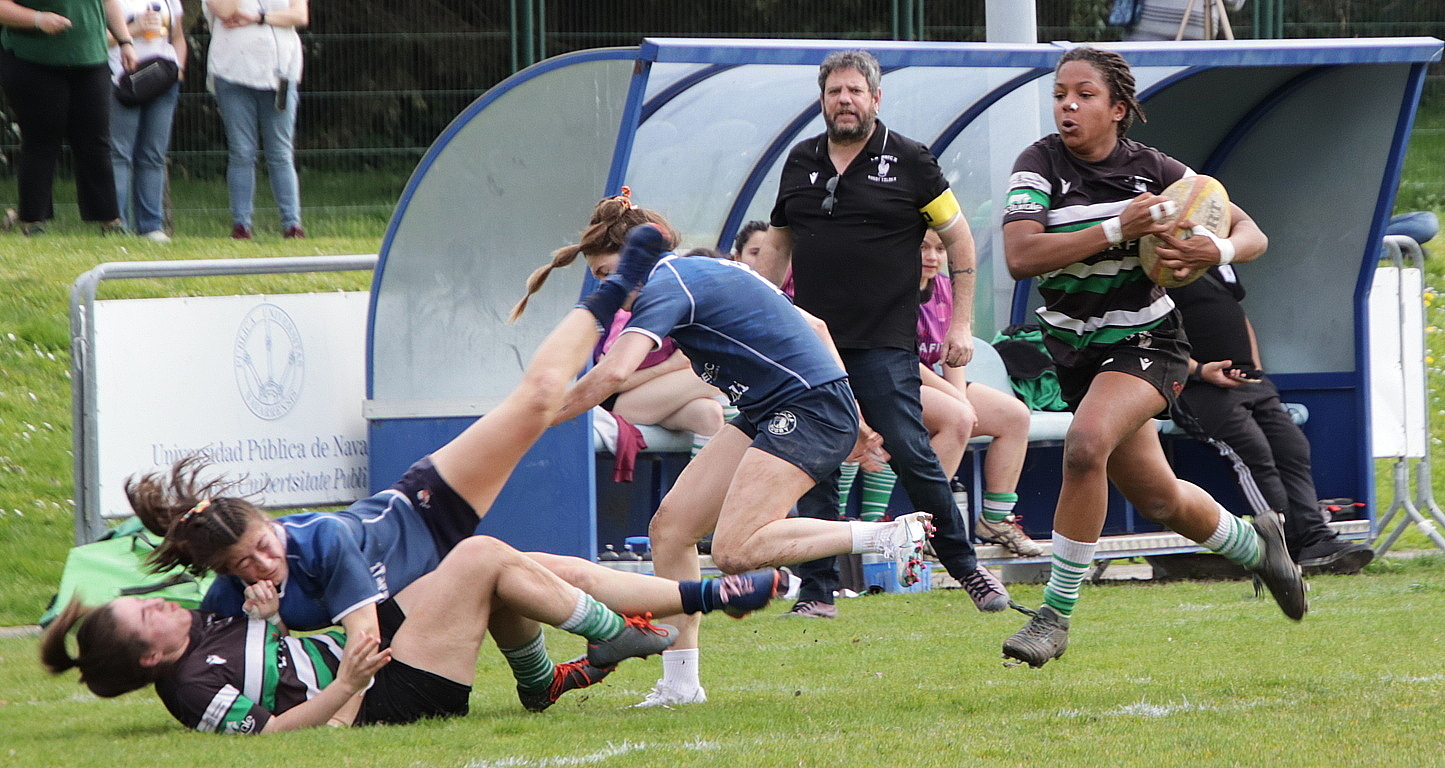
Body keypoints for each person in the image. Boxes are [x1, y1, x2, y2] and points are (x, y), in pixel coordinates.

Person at [516, 201, 933, 708]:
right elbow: (818, 327)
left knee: (736, 551)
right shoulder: (704, 269)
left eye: (609, 273)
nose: (612, 291)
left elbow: (613, 375)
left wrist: (531, 419)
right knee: (670, 530)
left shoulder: (667, 284)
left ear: (635, 256)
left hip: (805, 405)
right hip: (782, 404)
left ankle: (889, 535)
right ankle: (681, 685)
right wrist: (857, 417)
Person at [998, 45, 1305, 668]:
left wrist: (1210, 252)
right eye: (1061, 93)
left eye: (1084, 95)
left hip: (1148, 342)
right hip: (1075, 353)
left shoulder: (1156, 170)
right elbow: (1021, 256)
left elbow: (1253, 233)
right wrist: (1119, 227)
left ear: (1118, 108)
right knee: (1161, 498)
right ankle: (1257, 544)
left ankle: (1053, 617)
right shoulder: (1038, 166)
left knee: (1086, 444)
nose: (1067, 105)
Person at [754, 49, 1010, 620]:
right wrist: (759, 316)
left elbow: (961, 241)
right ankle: (818, 591)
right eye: (834, 92)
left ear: (875, 98)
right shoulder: (800, 161)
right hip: (812, 344)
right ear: (822, 100)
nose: (844, 101)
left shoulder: (913, 160)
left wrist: (960, 323)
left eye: (854, 91)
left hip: (882, 343)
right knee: (814, 461)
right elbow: (777, 244)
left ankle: (966, 567)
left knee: (913, 453)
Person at [39, 534, 698, 731]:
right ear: (152, 655)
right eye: (146, 616)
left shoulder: (204, 619)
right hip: (382, 691)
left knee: (482, 562)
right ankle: (609, 634)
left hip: (372, 652)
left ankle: (542, 681)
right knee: (481, 560)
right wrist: (345, 689)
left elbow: (266, 643)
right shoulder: (189, 687)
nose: (158, 605)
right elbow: (270, 735)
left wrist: (265, 615)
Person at [1169, 265, 1375, 574]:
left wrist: (1255, 367)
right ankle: (1286, 544)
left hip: (1248, 383)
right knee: (1253, 453)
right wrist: (1199, 371)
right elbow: (1152, 338)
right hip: (1197, 390)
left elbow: (1239, 315)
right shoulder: (1157, 271)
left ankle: (1316, 538)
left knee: (1293, 447)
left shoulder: (1217, 261)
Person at [0, 0, 135, 235]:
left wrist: (125, 41)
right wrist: (37, 20)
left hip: (91, 58)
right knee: (41, 141)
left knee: (96, 141)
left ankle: (110, 220)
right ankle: (33, 221)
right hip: (33, 59)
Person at [202, 0, 306, 240]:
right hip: (231, 72)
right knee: (242, 152)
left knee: (280, 152)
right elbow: (225, 11)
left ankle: (292, 225)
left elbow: (299, 15)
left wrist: (258, 17)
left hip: (280, 72)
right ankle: (241, 226)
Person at [108, 0, 185, 242]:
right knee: (119, 154)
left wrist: (178, 69)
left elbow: (178, 36)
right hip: (123, 81)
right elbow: (97, 39)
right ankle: (117, 223)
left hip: (162, 80)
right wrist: (134, 30)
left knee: (153, 155)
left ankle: (151, 226)